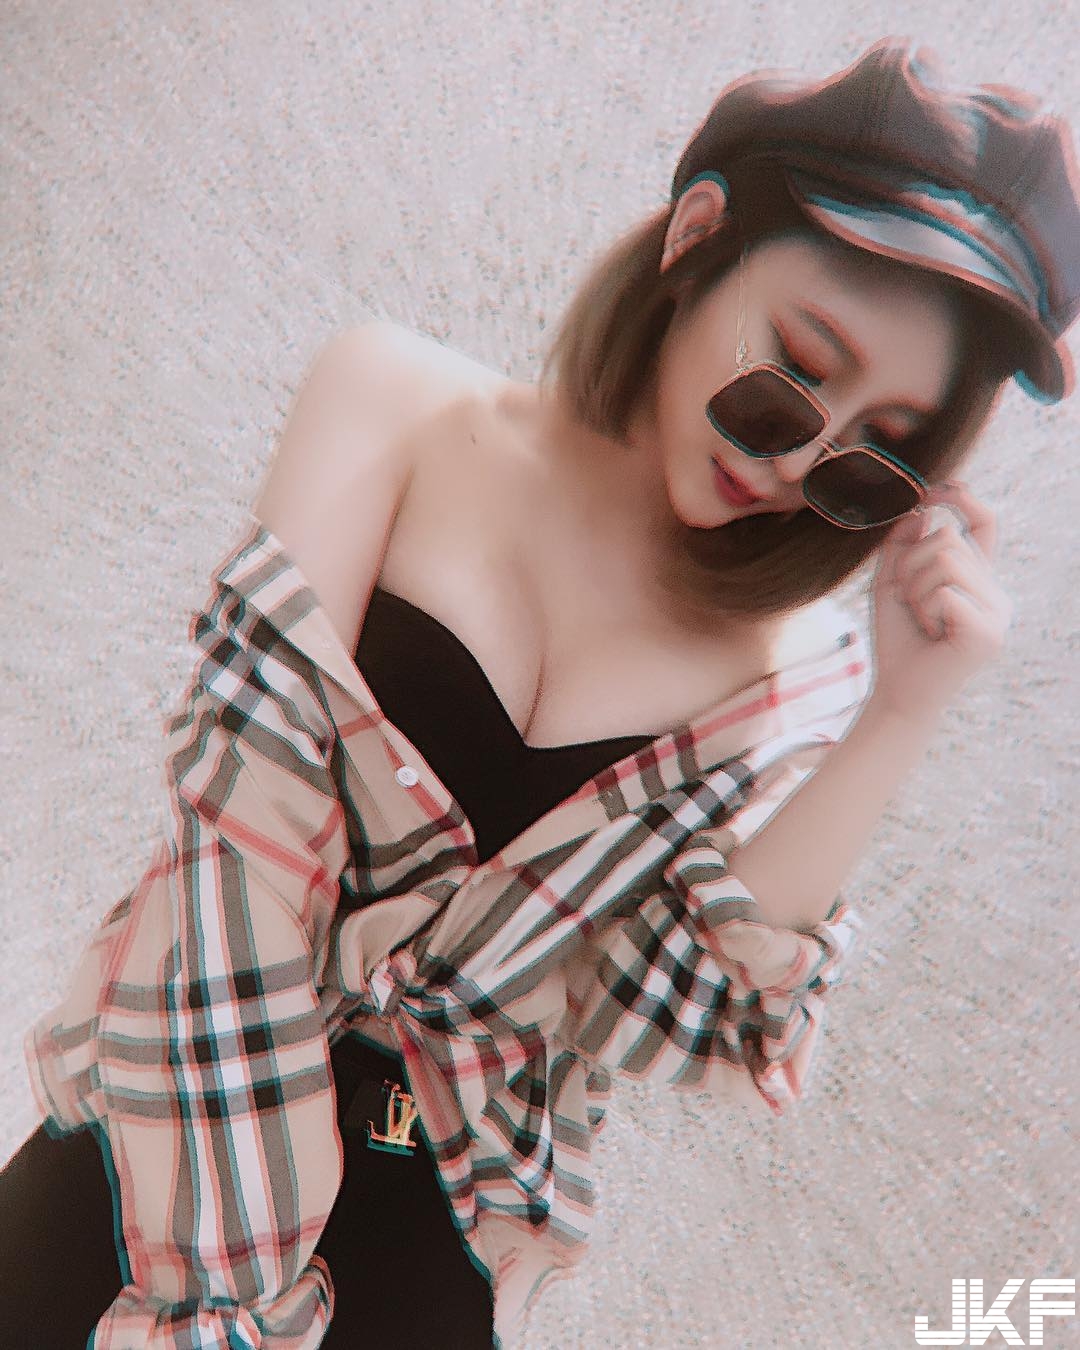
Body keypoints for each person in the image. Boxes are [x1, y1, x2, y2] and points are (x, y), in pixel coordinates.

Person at [3, 35, 1078, 1350]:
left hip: (434, 1234)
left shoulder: (797, 671)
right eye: (792, 373)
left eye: (875, 456)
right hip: (157, 1146)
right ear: (696, 236)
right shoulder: (393, 400)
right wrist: (230, 1309)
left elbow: (668, 1009)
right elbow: (237, 851)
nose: (797, 467)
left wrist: (901, 712)